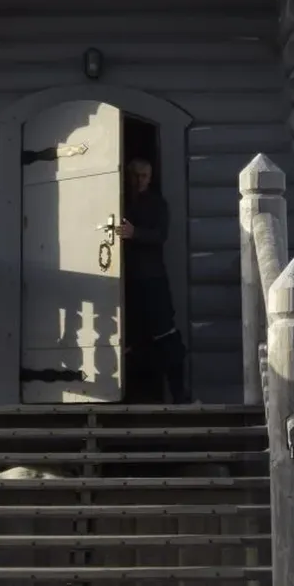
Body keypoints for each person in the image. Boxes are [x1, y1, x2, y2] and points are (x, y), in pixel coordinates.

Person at [116, 157, 191, 404]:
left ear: (150, 177)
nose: (140, 180)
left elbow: (161, 235)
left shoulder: (156, 203)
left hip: (152, 277)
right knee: (128, 337)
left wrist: (134, 233)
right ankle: (127, 398)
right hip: (124, 279)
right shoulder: (117, 198)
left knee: (165, 335)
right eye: (135, 175)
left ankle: (179, 395)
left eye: (144, 176)